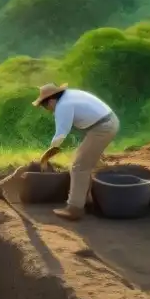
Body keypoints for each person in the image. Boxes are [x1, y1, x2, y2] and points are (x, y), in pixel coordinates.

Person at [33, 83, 120, 221]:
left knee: (78, 166)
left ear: (51, 100)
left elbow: (61, 135)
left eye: (45, 106)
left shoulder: (63, 106)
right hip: (107, 122)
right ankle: (90, 201)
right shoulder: (70, 95)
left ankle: (74, 208)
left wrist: (47, 155)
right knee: (89, 162)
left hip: (102, 128)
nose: (47, 109)